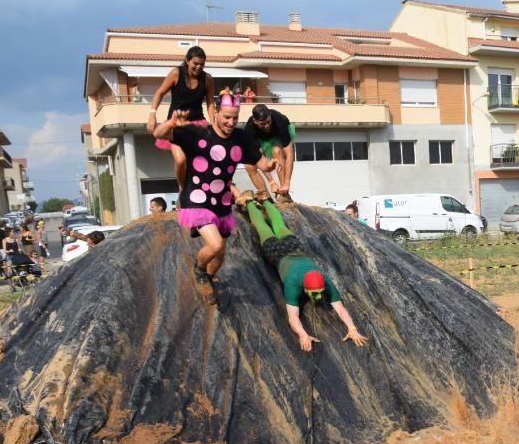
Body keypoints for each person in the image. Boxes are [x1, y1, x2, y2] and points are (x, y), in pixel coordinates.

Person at [153, 92, 278, 305]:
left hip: (221, 203)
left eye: (235, 118)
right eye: (226, 117)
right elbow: (158, 132)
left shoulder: (241, 139)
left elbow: (262, 163)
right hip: (196, 198)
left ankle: (208, 279)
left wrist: (272, 164)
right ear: (216, 113)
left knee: (219, 256)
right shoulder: (197, 133)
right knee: (216, 245)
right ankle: (199, 271)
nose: (231, 122)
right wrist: (172, 122)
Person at [241, 197, 368, 352]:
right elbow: (292, 316)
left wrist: (352, 328)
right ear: (304, 288)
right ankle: (250, 202)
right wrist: (302, 334)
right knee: (262, 227)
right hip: (276, 252)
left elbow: (340, 309)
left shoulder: (325, 281)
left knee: (278, 224)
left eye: (320, 293)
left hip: (294, 248)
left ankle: (265, 201)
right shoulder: (293, 283)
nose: (318, 298)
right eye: (314, 294)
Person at [146, 46, 215, 190]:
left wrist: (213, 124)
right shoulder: (176, 74)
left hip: (197, 124)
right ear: (187, 61)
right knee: (181, 159)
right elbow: (159, 93)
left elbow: (210, 103)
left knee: (200, 160)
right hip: (176, 125)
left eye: (202, 64)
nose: (198, 67)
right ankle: (182, 189)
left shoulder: (207, 79)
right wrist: (152, 114)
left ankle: (200, 189)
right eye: (195, 63)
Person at [242, 104, 296, 204]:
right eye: (262, 124)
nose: (266, 126)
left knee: (276, 151)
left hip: (277, 134)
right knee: (249, 166)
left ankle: (284, 194)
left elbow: (289, 155)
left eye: (268, 122)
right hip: (261, 138)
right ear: (255, 121)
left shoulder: (279, 120)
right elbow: (257, 159)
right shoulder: (250, 129)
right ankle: (265, 197)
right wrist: (271, 182)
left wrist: (287, 183)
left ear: (270, 116)